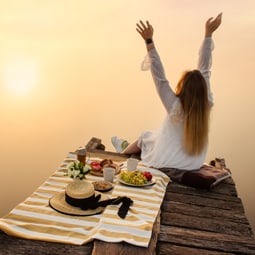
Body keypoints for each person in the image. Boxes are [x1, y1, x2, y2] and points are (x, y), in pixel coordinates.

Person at [112, 13, 222, 171]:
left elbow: (159, 76)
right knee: (153, 137)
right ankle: (124, 147)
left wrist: (148, 40)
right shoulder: (207, 103)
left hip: (167, 161)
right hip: (193, 163)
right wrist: (209, 34)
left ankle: (121, 153)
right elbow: (205, 68)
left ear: (183, 87)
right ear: (203, 89)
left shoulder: (175, 105)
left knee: (145, 137)